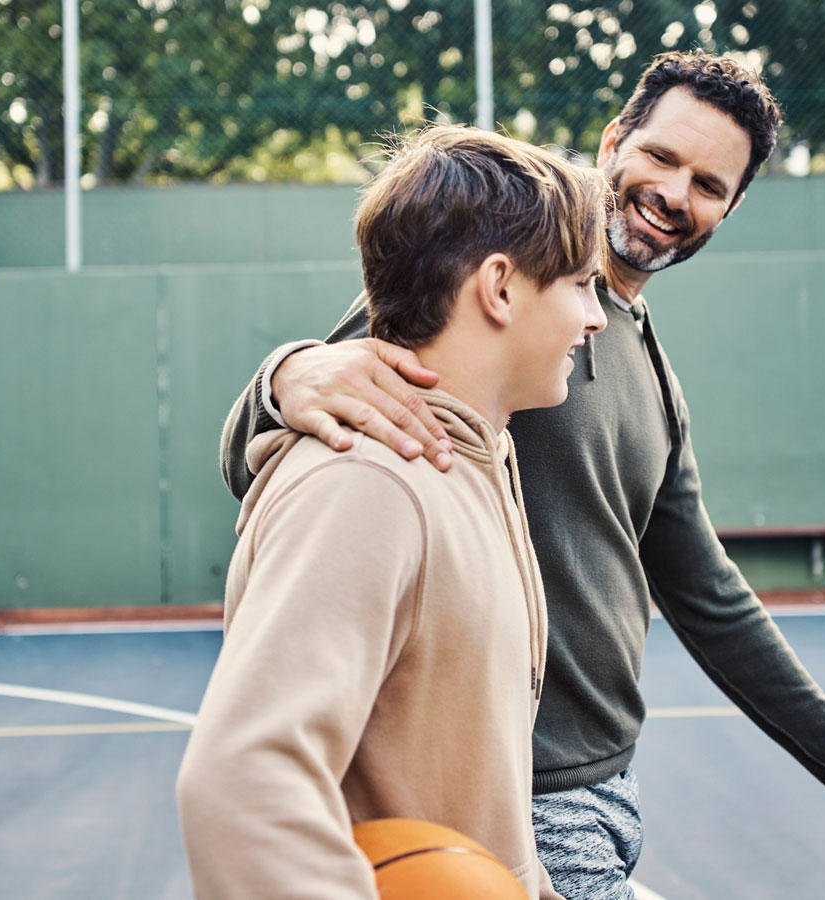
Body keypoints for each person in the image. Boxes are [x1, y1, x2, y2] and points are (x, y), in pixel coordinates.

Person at [219, 51, 825, 900]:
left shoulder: (647, 363)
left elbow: (708, 593)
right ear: (616, 138)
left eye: (708, 184)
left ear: (728, 209)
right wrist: (285, 376)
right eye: (660, 157)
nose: (673, 193)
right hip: (521, 800)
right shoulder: (506, 285)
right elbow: (306, 418)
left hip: (611, 786)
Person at [177, 125, 610, 899]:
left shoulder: (475, 461)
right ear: (501, 287)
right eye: (580, 283)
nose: (596, 317)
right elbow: (242, 783)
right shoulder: (368, 485)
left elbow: (475, 811)